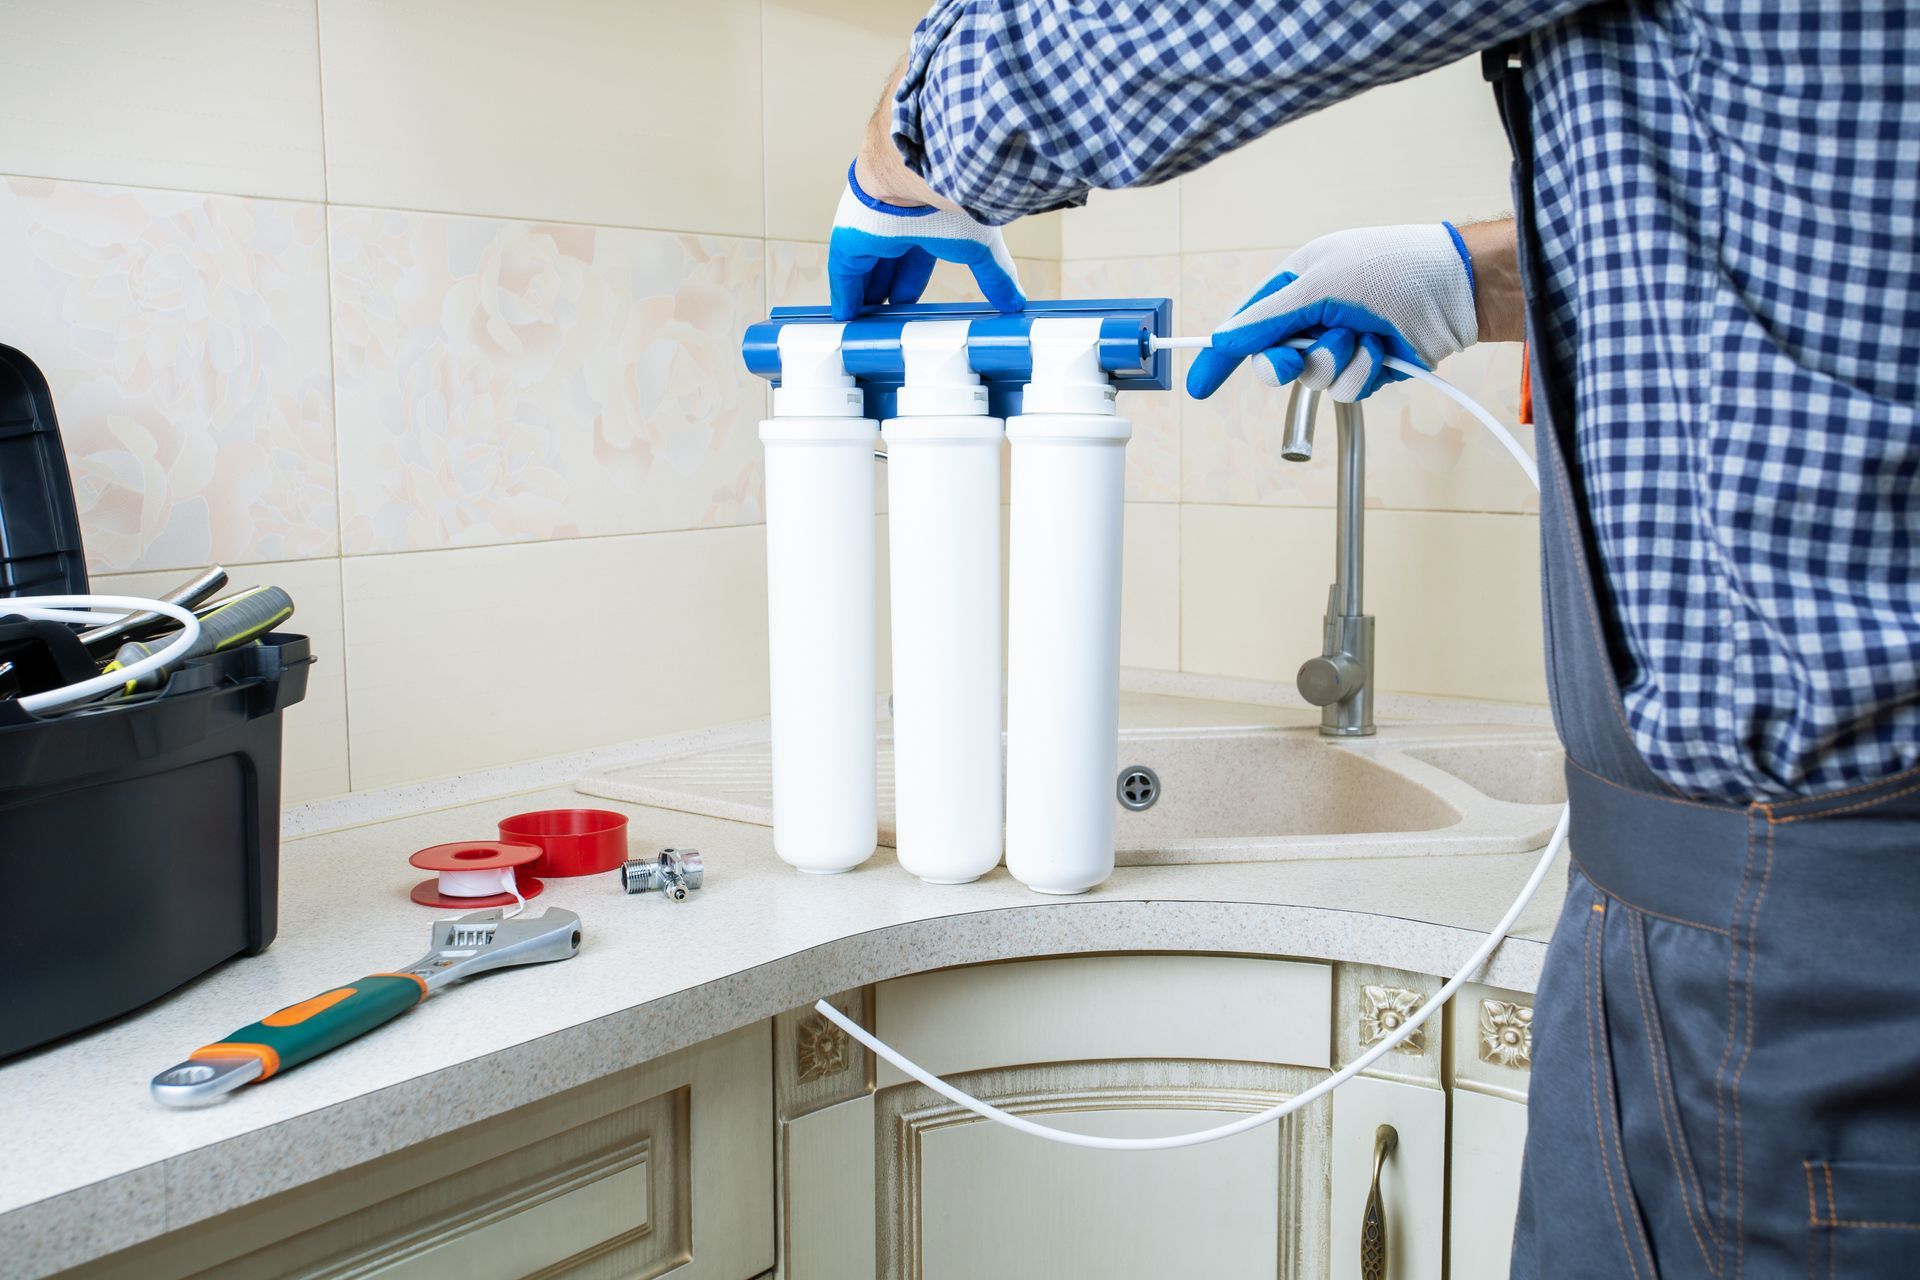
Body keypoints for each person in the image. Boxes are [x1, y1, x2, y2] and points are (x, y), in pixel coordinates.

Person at [828, 3, 1920, 1277]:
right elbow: (1832, 226)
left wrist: (909, 141)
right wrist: (1468, 278)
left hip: (1798, 951)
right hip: (1773, 928)